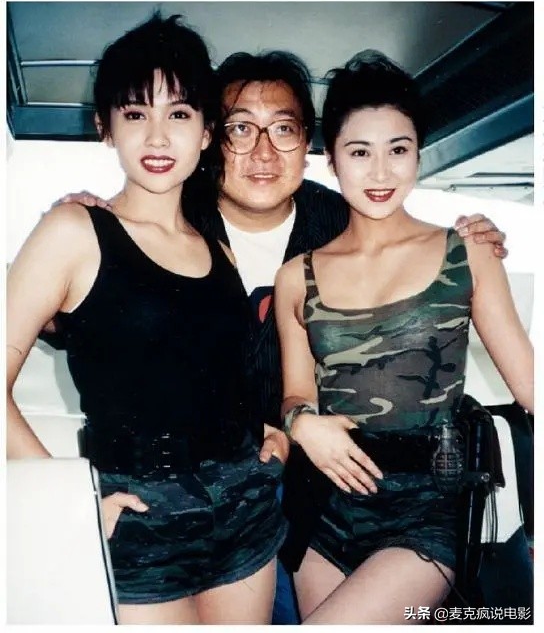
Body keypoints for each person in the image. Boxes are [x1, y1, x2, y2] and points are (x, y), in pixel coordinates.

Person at [52, 51, 508, 625]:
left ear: (310, 144)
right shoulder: (165, 220)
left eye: (284, 129)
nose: (263, 152)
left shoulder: (346, 219)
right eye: (242, 129)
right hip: (195, 490)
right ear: (212, 138)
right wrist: (76, 242)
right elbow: (87, 322)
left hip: (321, 480)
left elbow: (414, 258)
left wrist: (474, 239)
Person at [6, 14, 289, 625]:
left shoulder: (217, 248)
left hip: (245, 508)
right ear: (105, 127)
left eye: (179, 113)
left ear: (207, 132)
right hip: (137, 518)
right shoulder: (73, 231)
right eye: (135, 113)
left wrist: (270, 432)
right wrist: (72, 501)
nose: (158, 136)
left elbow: (209, 368)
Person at [273, 51, 534, 624]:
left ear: (418, 154)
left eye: (398, 150)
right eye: (359, 152)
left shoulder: (467, 254)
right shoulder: (297, 276)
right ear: (331, 160)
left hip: (428, 509)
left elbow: (532, 386)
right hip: (325, 506)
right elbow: (296, 394)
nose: (381, 172)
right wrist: (301, 423)